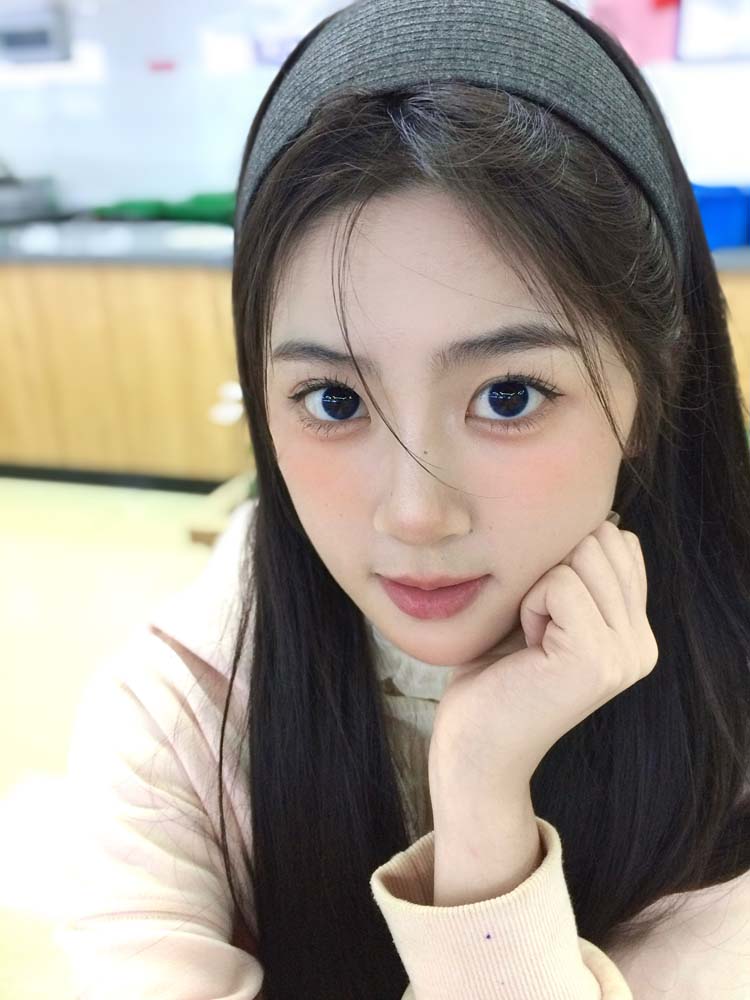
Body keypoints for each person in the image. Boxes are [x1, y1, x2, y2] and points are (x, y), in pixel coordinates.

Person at [57, 1, 750, 998]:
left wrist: (482, 801)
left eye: (509, 395)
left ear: (652, 391)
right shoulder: (180, 717)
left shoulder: (728, 719)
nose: (416, 515)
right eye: (334, 400)